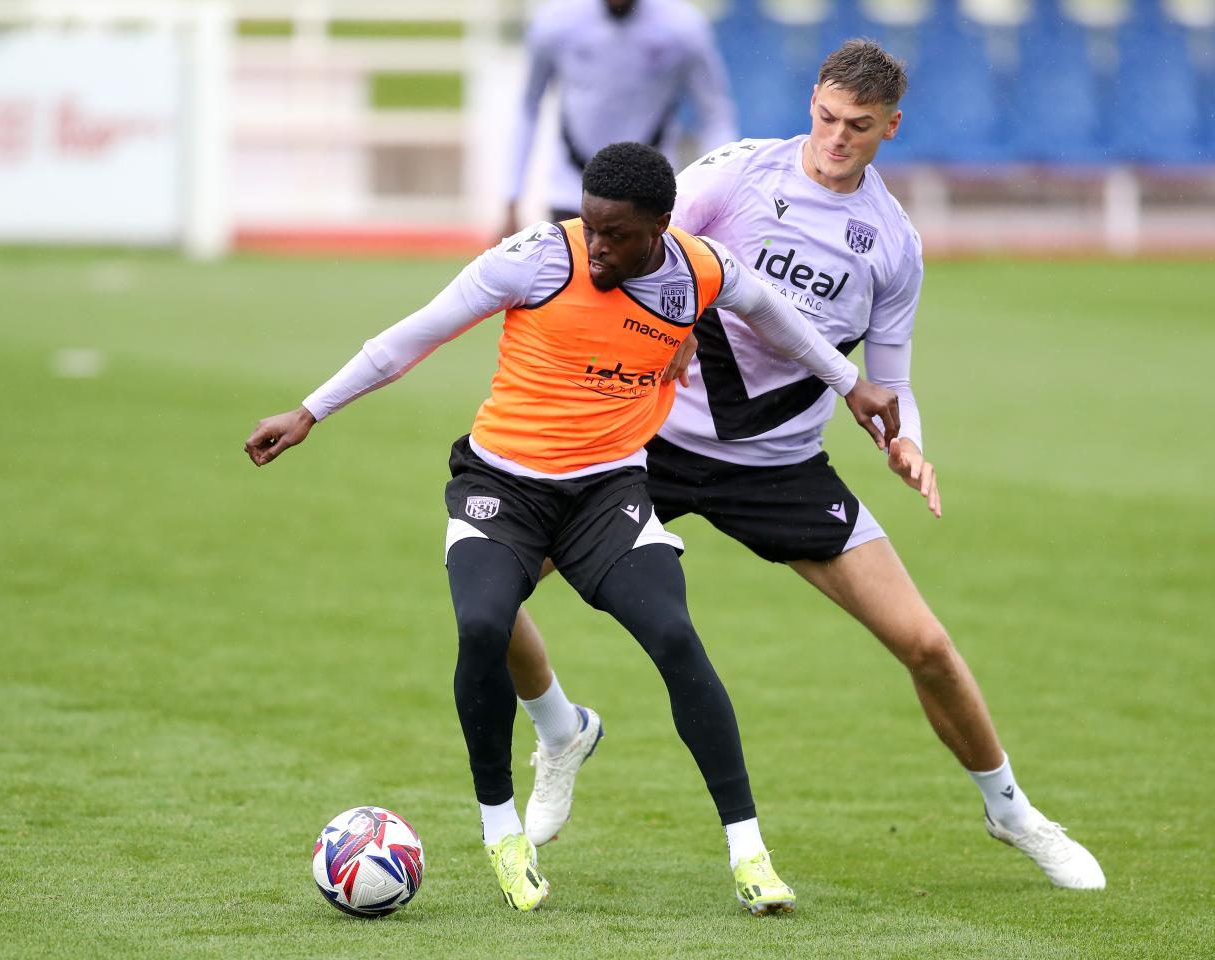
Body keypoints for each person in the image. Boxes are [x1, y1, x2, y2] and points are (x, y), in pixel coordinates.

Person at [506, 40, 1107, 891]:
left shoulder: (893, 245)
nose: (835, 138)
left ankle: (1012, 810)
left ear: (890, 128)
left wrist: (907, 442)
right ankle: (561, 728)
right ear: (811, 104)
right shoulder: (737, 174)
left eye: (858, 127)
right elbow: (637, 256)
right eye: (825, 117)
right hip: (652, 442)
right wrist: (663, 336)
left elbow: (890, 384)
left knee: (926, 644)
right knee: (494, 591)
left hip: (780, 468)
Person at [244, 142, 900, 914]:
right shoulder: (533, 261)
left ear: (661, 224)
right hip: (501, 486)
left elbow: (775, 316)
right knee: (484, 624)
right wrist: (309, 411)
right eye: (588, 227)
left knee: (677, 639)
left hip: (607, 494)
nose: (596, 247)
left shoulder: (701, 270)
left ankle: (750, 854)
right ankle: (503, 834)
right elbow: (410, 338)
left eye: (615, 234)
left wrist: (852, 383)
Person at [504, 0, 736, 235]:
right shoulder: (555, 21)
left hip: (649, 195)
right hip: (571, 190)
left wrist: (722, 192)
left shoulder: (684, 28)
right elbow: (529, 107)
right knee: (573, 271)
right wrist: (511, 197)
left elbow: (714, 112)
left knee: (646, 272)